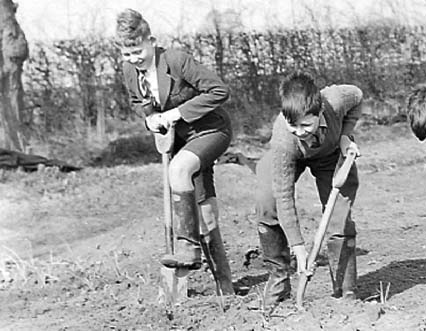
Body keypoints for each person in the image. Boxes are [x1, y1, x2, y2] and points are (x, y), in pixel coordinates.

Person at [115, 8, 234, 294]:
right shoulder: (130, 70)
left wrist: (176, 114)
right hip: (180, 142)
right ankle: (226, 287)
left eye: (138, 52)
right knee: (206, 213)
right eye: (126, 54)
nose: (133, 60)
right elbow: (138, 99)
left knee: (178, 170)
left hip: (210, 131)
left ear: (151, 40)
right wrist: (150, 118)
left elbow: (219, 91)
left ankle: (188, 248)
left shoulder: (176, 60)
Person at [255, 72, 362, 309]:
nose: (300, 130)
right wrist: (298, 246)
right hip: (293, 156)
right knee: (267, 200)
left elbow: (358, 96)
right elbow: (284, 195)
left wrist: (345, 134)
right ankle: (279, 280)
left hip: (330, 154)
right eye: (294, 125)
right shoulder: (284, 137)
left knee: (339, 216)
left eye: (306, 124)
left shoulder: (336, 99)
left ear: (321, 110)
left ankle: (345, 292)